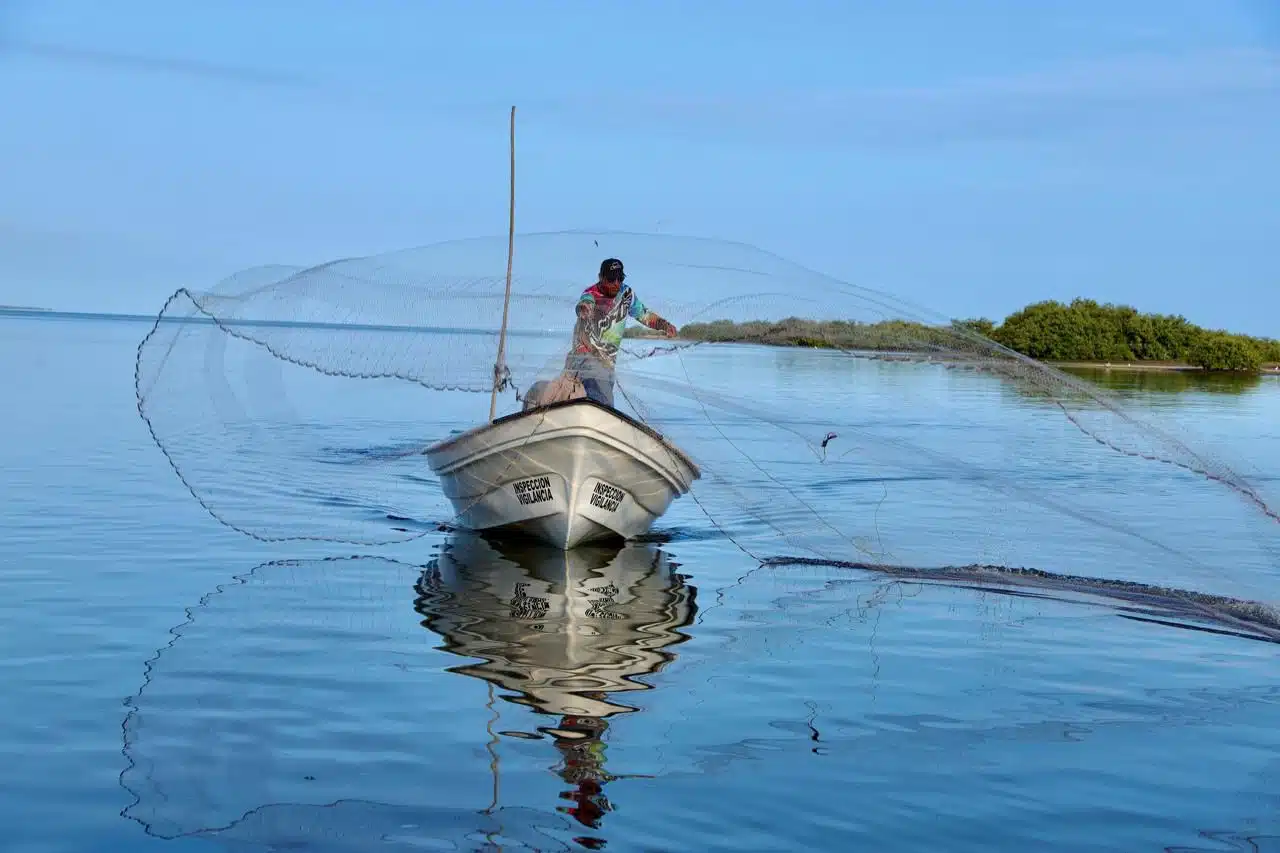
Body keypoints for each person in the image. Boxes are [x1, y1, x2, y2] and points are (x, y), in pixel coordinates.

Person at [564, 258, 677, 407]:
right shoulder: (591, 293)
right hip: (585, 355)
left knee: (603, 396)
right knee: (597, 399)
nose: (616, 283)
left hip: (607, 362)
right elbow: (584, 303)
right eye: (611, 279)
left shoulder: (626, 294)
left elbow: (643, 314)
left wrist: (664, 325)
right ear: (601, 278)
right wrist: (584, 308)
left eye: (620, 278)